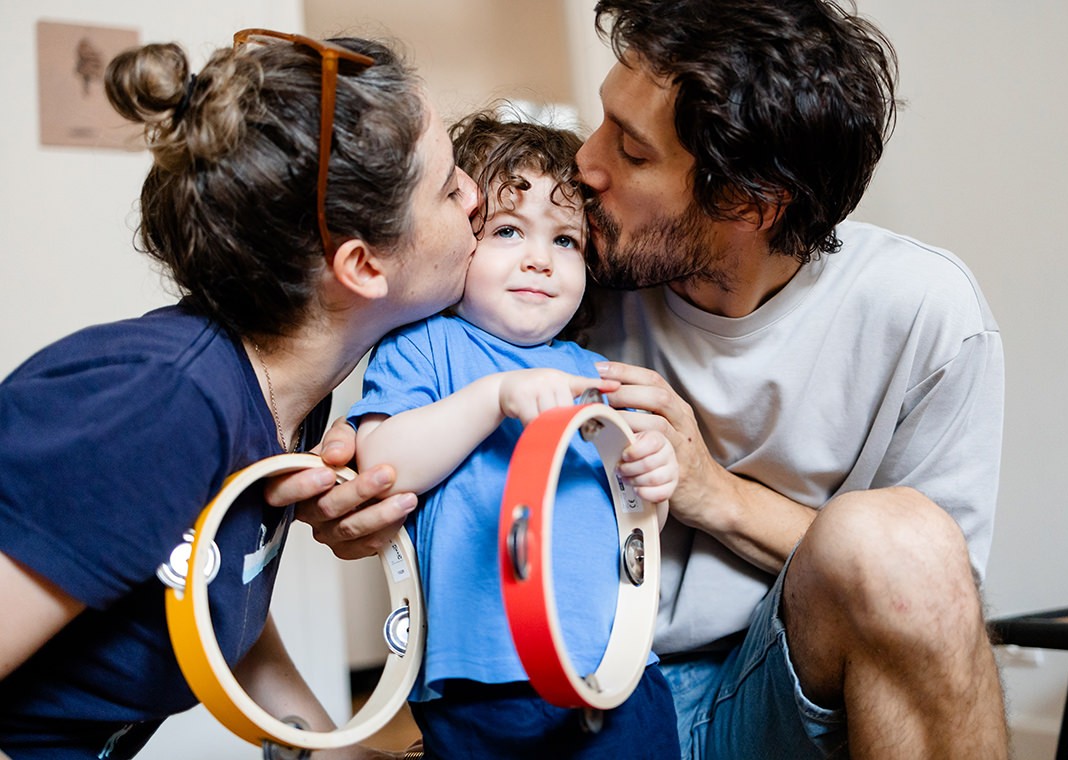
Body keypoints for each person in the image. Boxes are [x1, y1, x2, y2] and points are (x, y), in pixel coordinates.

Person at [294, 1, 1010, 758]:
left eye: (631, 152)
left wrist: (715, 495)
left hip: (779, 692)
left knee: (906, 545)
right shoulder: (560, 280)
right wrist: (360, 499)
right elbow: (385, 406)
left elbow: (934, 603)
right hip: (574, 688)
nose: (585, 164)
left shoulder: (923, 313)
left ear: (747, 201)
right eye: (603, 120)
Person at [0, 29, 479, 759]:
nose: (475, 198)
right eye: (449, 188)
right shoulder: (163, 404)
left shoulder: (284, 402)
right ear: (362, 264)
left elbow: (213, 604)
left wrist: (340, 752)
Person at [345, 109, 680, 759]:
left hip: (618, 671)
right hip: (481, 681)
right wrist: (492, 399)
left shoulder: (599, 375)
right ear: (459, 241)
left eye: (564, 241)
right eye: (507, 230)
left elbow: (636, 524)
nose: (539, 260)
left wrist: (655, 478)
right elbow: (379, 466)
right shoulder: (424, 348)